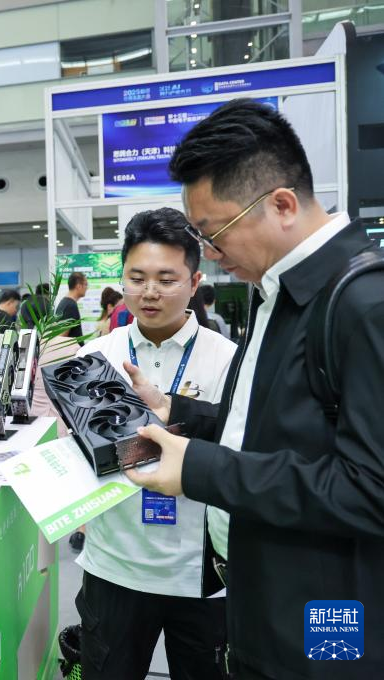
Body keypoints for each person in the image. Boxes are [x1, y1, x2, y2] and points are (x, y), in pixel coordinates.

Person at [124, 99, 384, 679]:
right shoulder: (279, 294)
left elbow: (371, 490)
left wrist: (201, 469)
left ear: (282, 205)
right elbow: (269, 425)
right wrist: (175, 410)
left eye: (215, 234)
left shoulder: (363, 305)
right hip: (264, 604)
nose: (213, 257)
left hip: (324, 626)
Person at [73, 208, 237, 680]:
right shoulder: (96, 356)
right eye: (137, 277)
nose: (149, 292)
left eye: (166, 279)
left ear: (194, 281)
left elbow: (238, 454)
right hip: (114, 566)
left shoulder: (228, 360)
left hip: (201, 574)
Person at [57, 272, 88, 345]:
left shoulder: (65, 303)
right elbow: (62, 337)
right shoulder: (70, 306)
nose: (87, 288)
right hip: (72, 351)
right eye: (85, 284)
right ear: (78, 286)